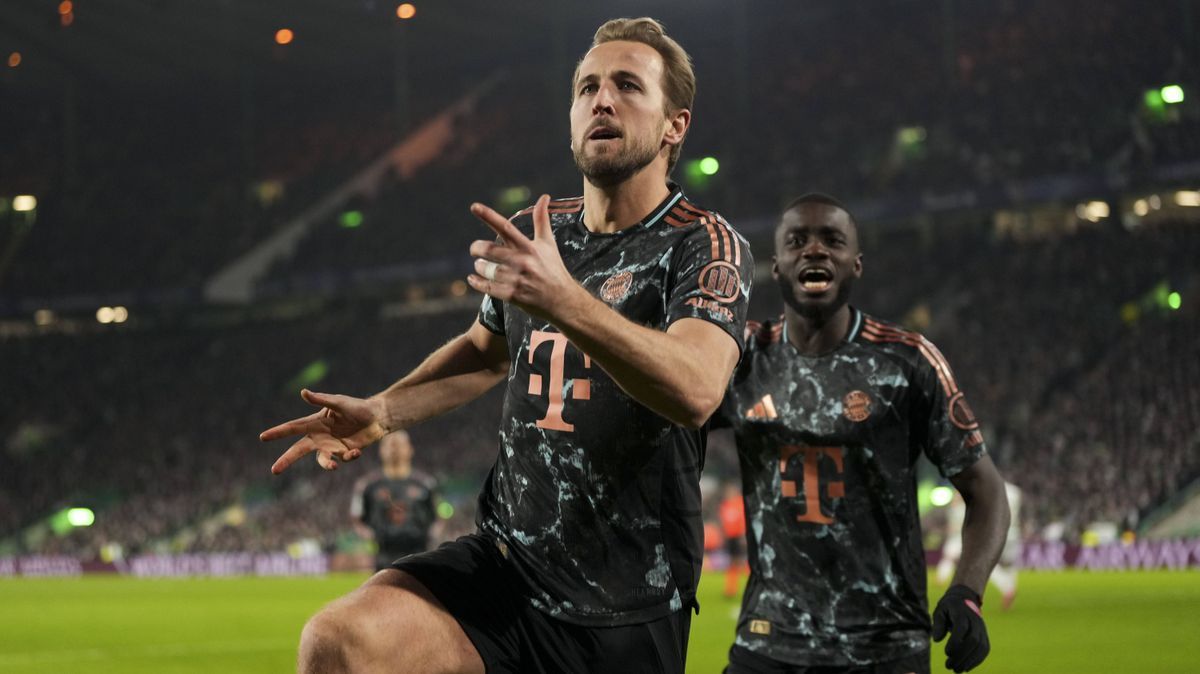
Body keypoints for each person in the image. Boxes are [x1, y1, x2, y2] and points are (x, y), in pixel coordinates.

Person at [260, 17, 753, 674]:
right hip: (506, 567)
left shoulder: (703, 242)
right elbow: (490, 351)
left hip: (627, 603)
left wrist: (565, 302)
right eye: (586, 88)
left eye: (627, 86)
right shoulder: (537, 234)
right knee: (339, 644)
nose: (600, 100)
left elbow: (696, 389)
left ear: (674, 126)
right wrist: (383, 411)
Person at [713, 194, 1009, 674]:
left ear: (856, 265)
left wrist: (967, 591)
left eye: (832, 240)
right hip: (769, 643)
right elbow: (666, 424)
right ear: (776, 266)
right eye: (797, 241)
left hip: (884, 647)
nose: (814, 251)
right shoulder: (739, 356)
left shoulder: (907, 361)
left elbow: (986, 489)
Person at [350, 430, 439, 571]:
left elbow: (437, 517)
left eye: (399, 445)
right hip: (383, 557)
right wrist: (370, 536)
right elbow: (358, 519)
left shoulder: (425, 484)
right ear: (381, 450)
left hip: (419, 555)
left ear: (410, 449)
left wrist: (431, 535)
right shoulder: (368, 486)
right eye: (390, 445)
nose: (394, 449)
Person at [936, 481, 1022, 610]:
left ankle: (1003, 589)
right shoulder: (1016, 492)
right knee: (1008, 564)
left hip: (997, 531)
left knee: (983, 562)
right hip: (1014, 532)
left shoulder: (991, 490)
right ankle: (1009, 588)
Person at [719, 481, 748, 598]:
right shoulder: (725, 505)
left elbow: (744, 519)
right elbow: (724, 521)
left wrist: (743, 535)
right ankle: (731, 588)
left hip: (739, 537)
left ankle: (734, 589)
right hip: (730, 537)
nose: (729, 493)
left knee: (738, 562)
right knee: (733, 562)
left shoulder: (739, 502)